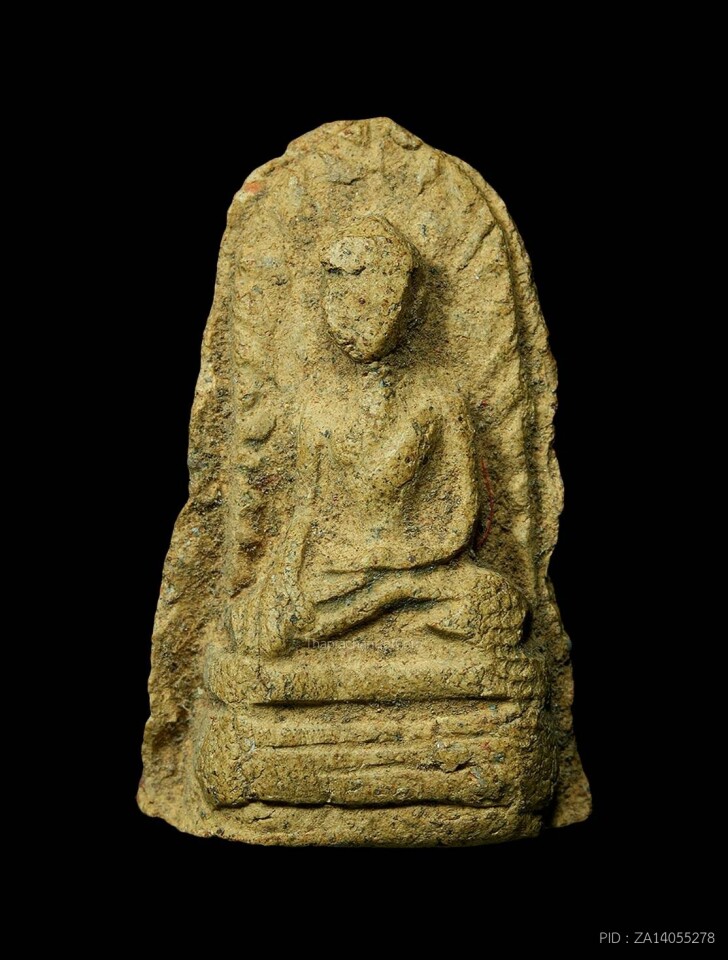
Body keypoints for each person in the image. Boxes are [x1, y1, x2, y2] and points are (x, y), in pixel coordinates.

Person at [245, 218, 526, 658]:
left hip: (420, 568)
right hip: (336, 571)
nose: (356, 318)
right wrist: (284, 576)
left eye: (377, 298)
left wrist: (399, 563)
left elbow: (460, 518)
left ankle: (382, 604)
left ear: (411, 304)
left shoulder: (438, 402)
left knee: (496, 602)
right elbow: (305, 511)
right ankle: (382, 609)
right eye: (340, 296)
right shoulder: (317, 408)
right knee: (270, 616)